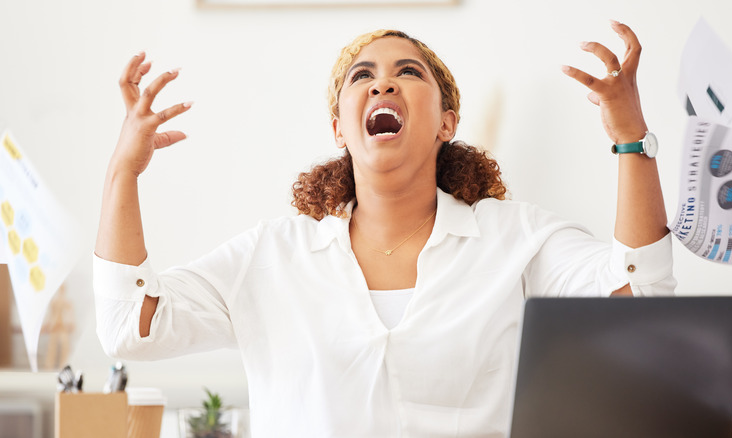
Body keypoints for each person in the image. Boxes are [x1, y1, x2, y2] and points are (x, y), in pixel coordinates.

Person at [94, 22, 675, 437]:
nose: (382, 84)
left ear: (447, 122)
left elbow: (640, 298)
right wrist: (123, 171)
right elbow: (130, 327)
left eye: (408, 72)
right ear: (340, 128)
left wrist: (631, 138)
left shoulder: (515, 241)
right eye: (363, 76)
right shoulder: (272, 255)